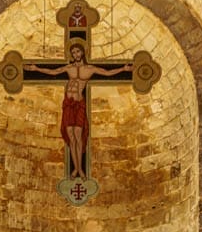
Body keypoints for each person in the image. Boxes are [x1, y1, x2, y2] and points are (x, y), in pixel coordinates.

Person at [27, 43, 131, 178]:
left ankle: (80, 168)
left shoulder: (90, 69)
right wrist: (37, 68)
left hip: (79, 104)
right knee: (71, 137)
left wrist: (123, 68)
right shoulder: (69, 67)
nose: (76, 54)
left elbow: (107, 73)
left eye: (78, 51)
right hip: (68, 104)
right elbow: (54, 72)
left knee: (78, 136)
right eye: (73, 52)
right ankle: (76, 169)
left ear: (82, 52)